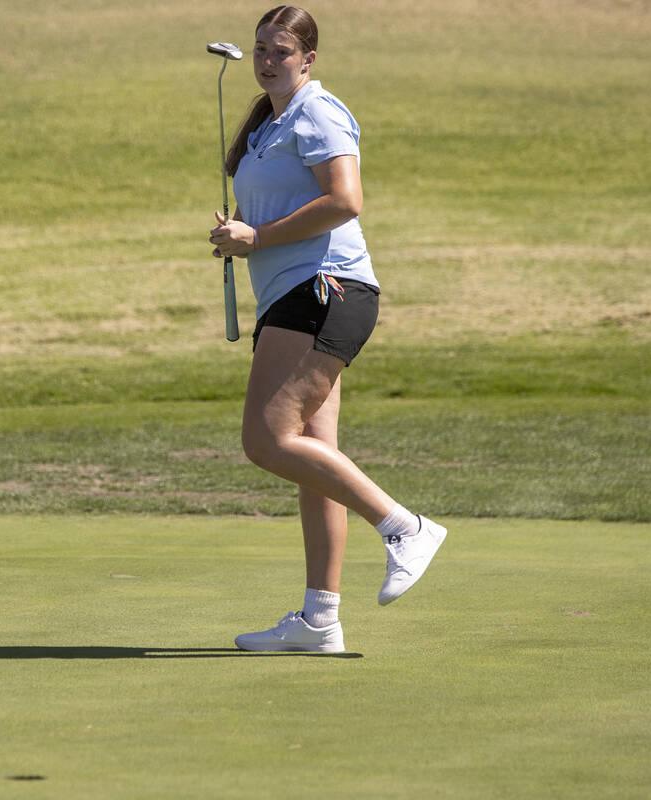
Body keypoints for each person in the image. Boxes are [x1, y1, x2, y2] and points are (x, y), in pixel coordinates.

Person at [208, 5, 446, 653]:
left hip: (323, 291)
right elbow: (280, 206)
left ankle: (404, 528)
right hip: (297, 296)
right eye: (260, 48)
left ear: (308, 59)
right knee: (315, 455)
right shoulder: (269, 124)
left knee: (266, 439)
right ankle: (320, 621)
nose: (264, 61)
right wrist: (239, 231)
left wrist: (255, 235)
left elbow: (345, 200)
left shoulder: (319, 110)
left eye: (279, 51)